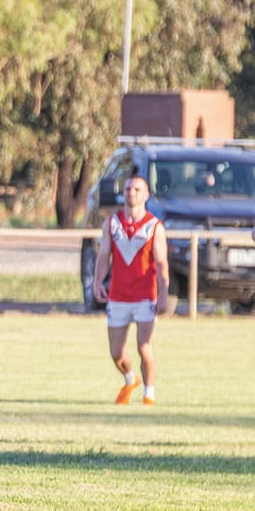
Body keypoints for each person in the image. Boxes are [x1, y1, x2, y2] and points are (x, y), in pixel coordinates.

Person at [92, 174, 169, 406]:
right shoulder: (112, 223)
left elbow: (162, 263)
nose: (131, 193)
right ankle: (130, 379)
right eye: (127, 189)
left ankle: (149, 395)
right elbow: (104, 255)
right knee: (116, 352)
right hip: (118, 295)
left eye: (136, 189)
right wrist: (98, 282)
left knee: (144, 346)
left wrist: (163, 294)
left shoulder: (154, 226)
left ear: (146, 195)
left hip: (145, 295)